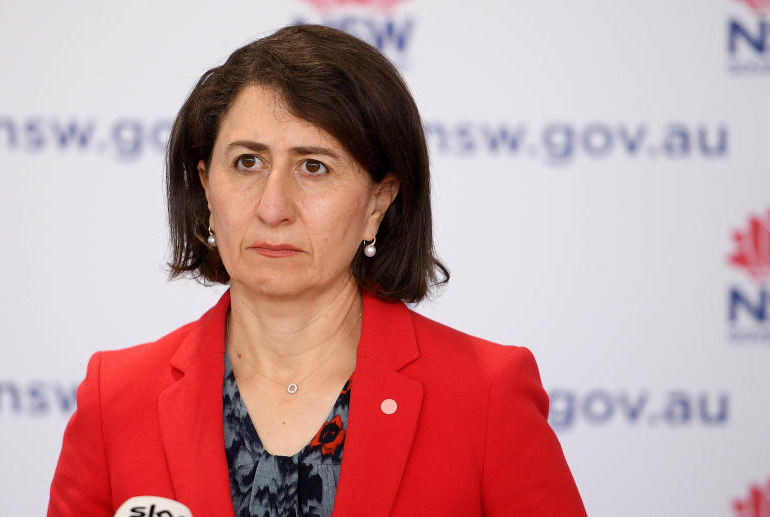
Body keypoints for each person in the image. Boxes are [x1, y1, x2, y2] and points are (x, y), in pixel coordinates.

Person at [48, 24, 587, 517]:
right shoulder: (115, 399)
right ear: (207, 187)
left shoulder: (485, 395)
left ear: (379, 201)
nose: (272, 206)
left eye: (313, 166)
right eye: (247, 162)